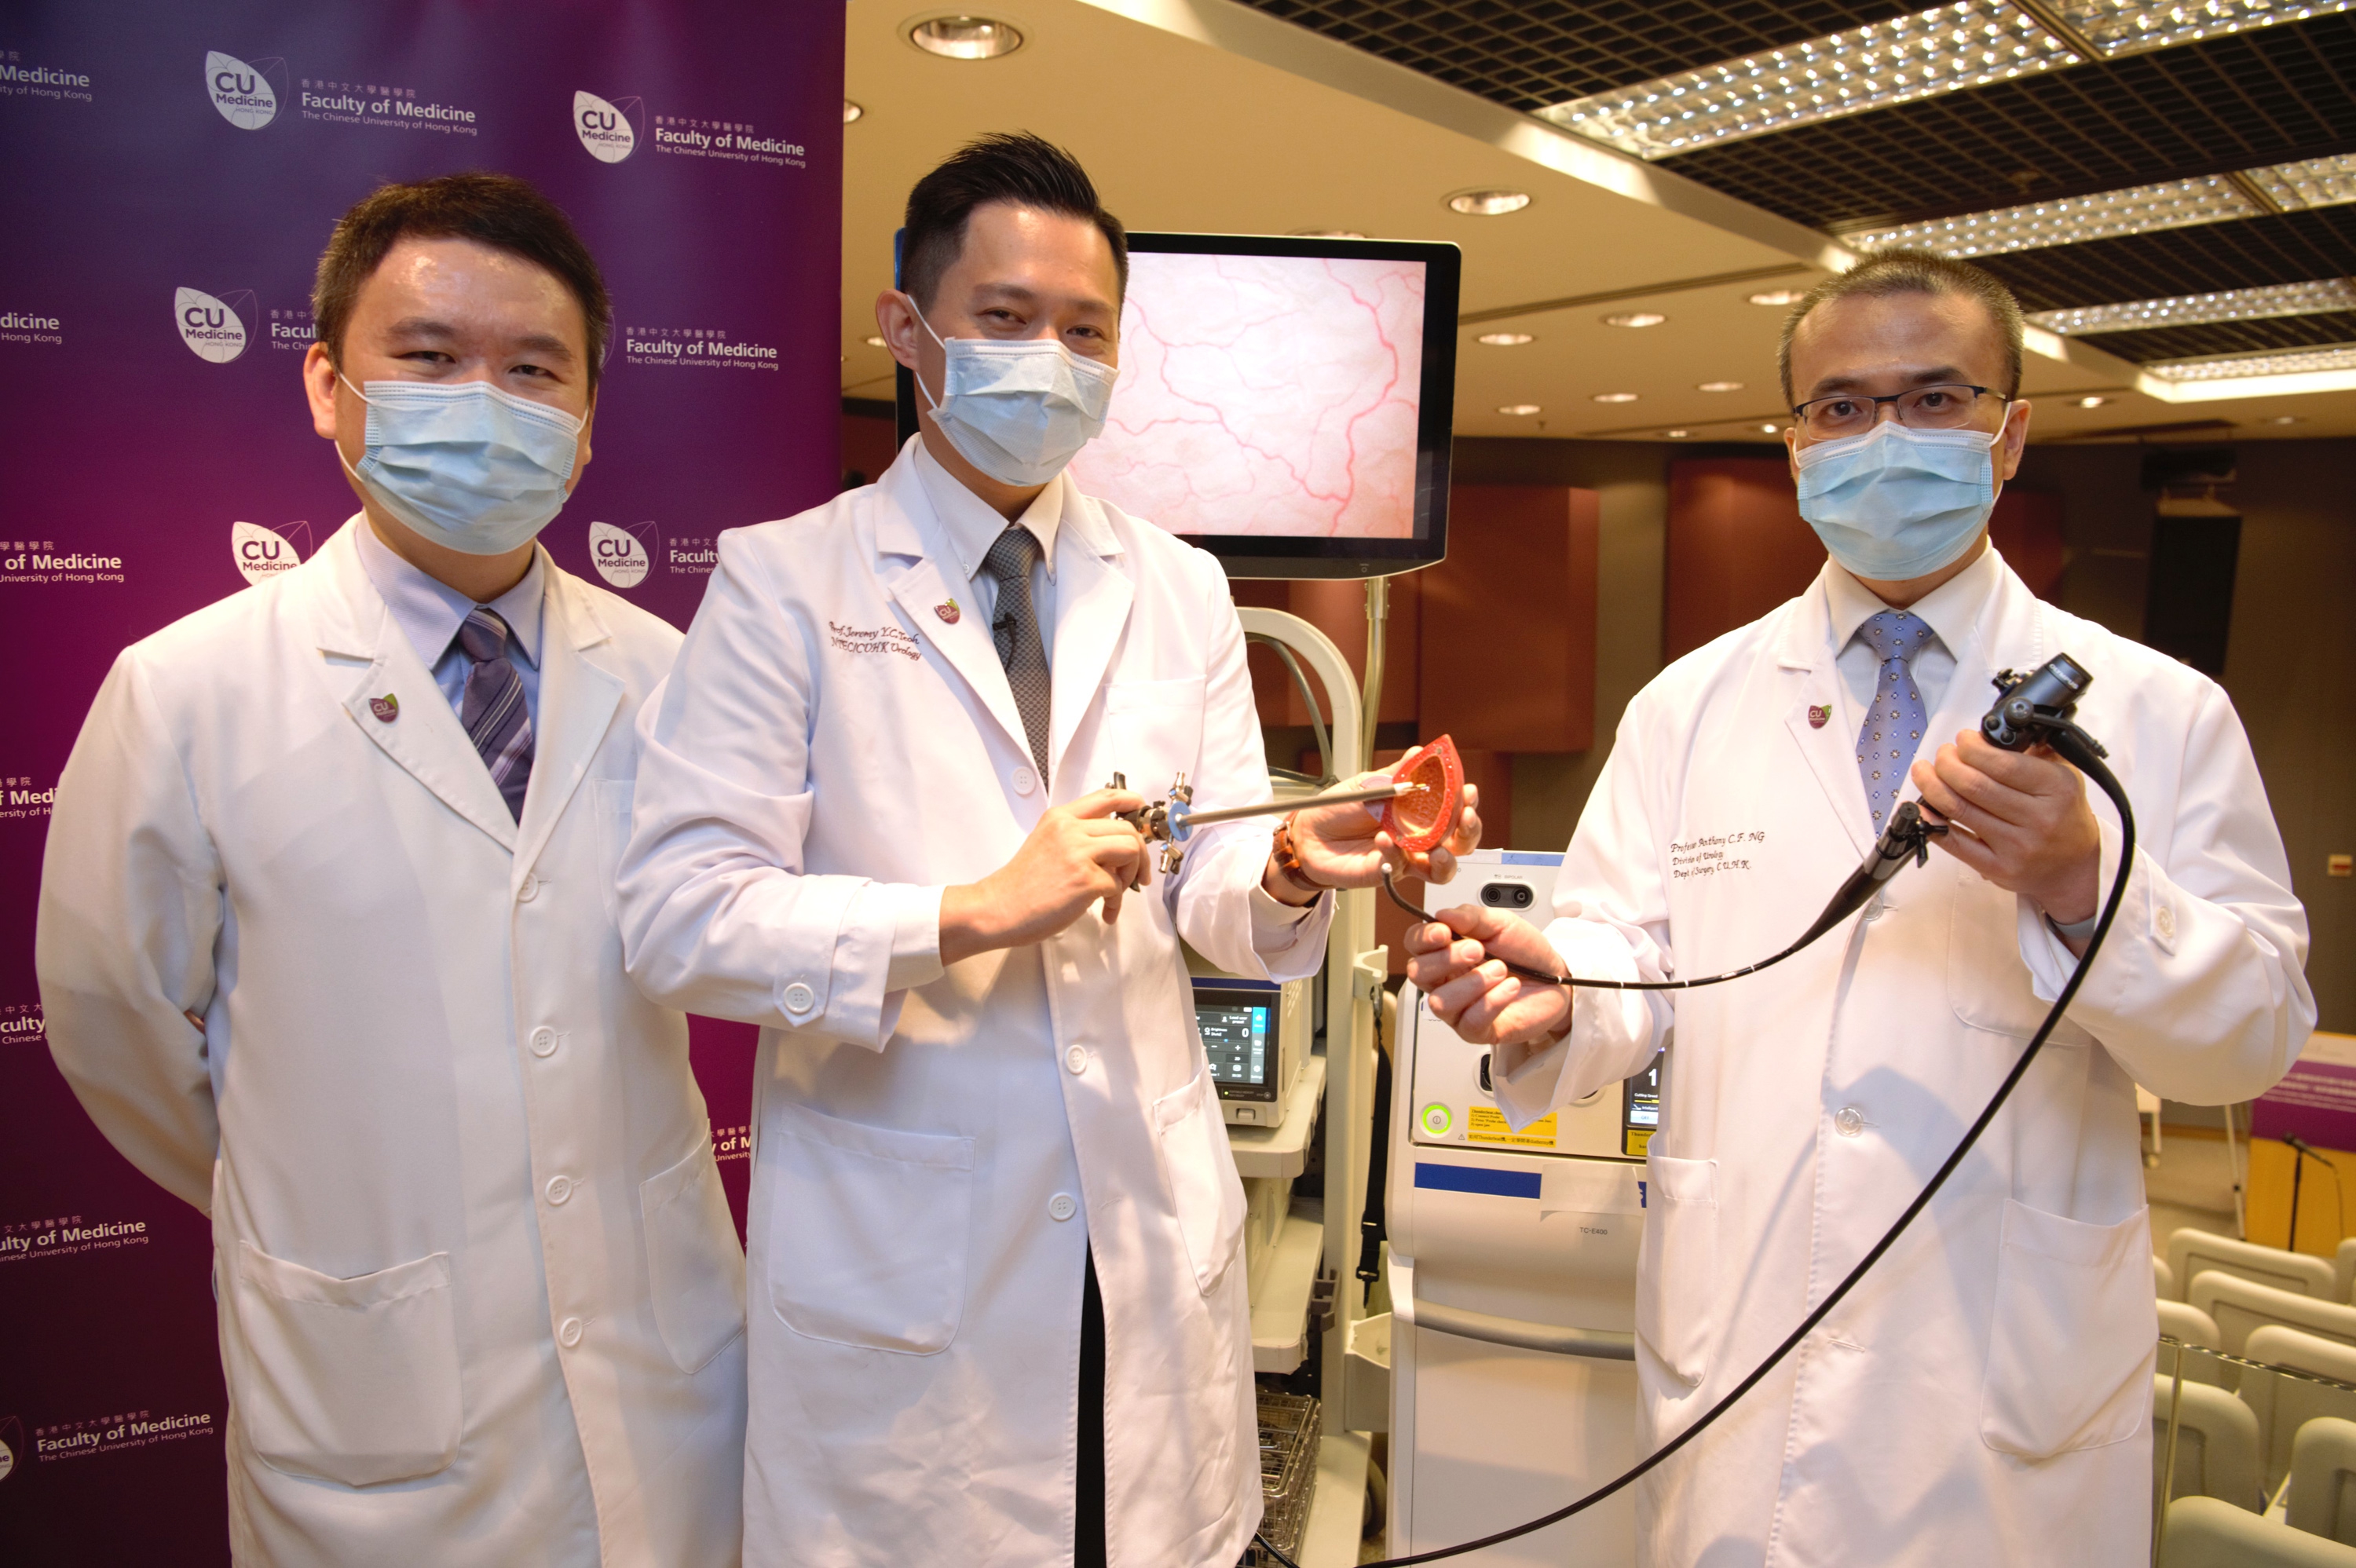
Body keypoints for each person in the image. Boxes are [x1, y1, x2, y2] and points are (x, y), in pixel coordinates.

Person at [615, 133, 1478, 1568]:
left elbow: (1199, 875)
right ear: (909, 329)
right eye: (1006, 320)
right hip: (912, 1256)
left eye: (1086, 331)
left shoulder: (1179, 583)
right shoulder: (786, 580)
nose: (1051, 359)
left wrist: (1276, 869)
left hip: (1136, 1223)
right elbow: (677, 915)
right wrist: (964, 910)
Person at [1406, 250, 2312, 1565]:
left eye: (1934, 399)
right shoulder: (1692, 704)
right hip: (1739, 1360)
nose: (1884, 437)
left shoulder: (2157, 714)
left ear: (2009, 438)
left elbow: (2255, 1034)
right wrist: (1566, 989)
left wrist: (2081, 881)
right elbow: (1627, 946)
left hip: (2003, 1400)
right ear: (1792, 447)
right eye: (1840, 406)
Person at [37, 174, 744, 1568]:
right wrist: (320, 1184)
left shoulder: (674, 679)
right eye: (428, 359)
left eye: (533, 370)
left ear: (587, 422)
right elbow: (114, 1024)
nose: (484, 400)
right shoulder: (187, 693)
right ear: (326, 384)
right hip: (378, 1416)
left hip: (665, 1377)